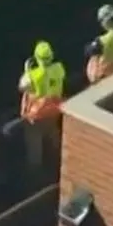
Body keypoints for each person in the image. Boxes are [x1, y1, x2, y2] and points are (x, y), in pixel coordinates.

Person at [19, 40, 66, 172]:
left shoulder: (33, 75)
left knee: (35, 145)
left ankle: (36, 172)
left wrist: (27, 70)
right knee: (54, 137)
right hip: (54, 111)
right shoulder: (59, 68)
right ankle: (59, 164)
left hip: (36, 115)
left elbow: (22, 87)